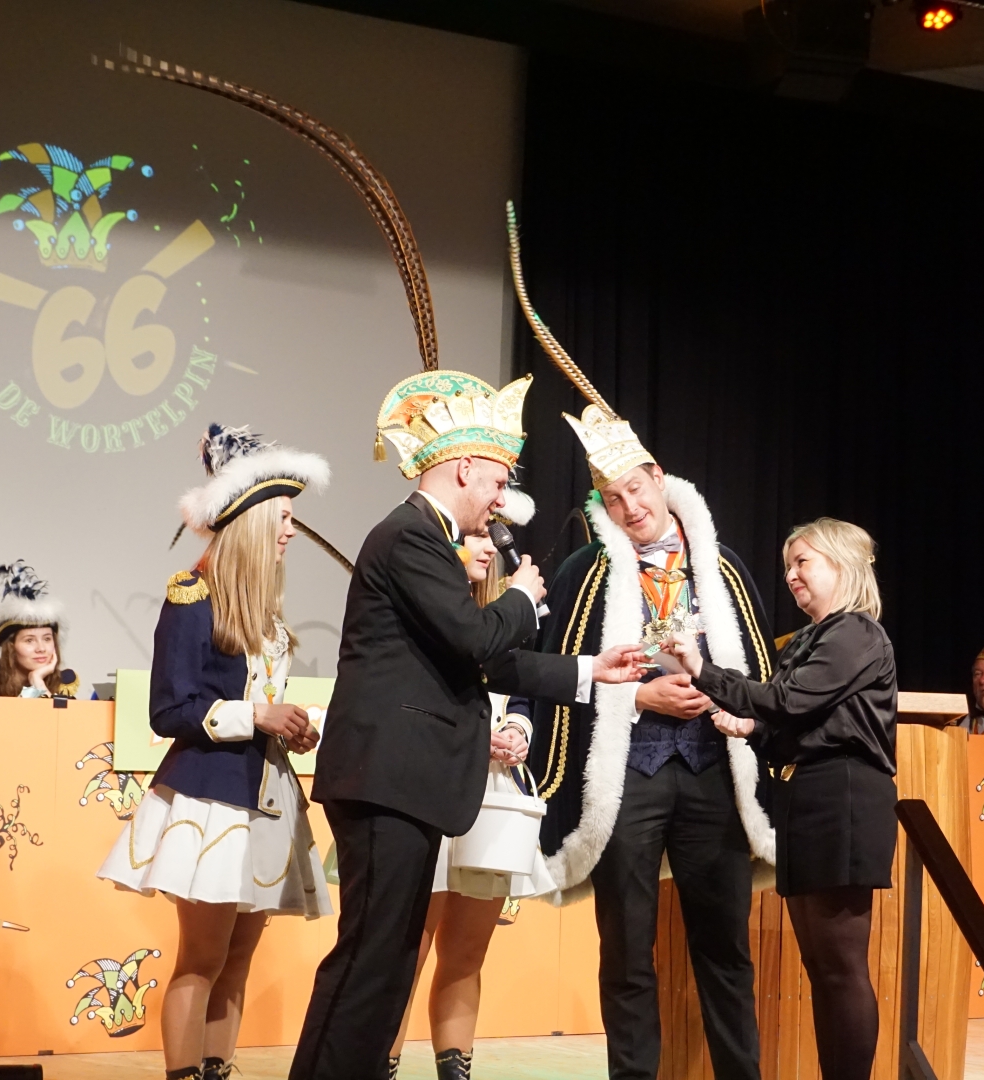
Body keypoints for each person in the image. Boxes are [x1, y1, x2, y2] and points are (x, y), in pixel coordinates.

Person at [292, 372, 646, 1080]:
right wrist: (520, 597)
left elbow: (482, 661)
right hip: (386, 781)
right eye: (498, 481)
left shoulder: (427, 538)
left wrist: (588, 670)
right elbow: (477, 639)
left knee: (389, 961)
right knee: (369, 959)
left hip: (406, 784)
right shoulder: (410, 536)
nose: (501, 500)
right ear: (463, 469)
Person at [515, 409, 776, 1080]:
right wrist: (638, 697)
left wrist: (720, 695)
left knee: (724, 949)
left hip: (712, 768)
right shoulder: (584, 571)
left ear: (659, 478)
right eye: (613, 499)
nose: (631, 508)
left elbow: (759, 673)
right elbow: (554, 672)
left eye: (636, 489)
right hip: (629, 773)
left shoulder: (723, 568)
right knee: (627, 950)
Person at [96, 424, 333, 1080]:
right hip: (209, 802)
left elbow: (261, 704)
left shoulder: (267, 613)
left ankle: (218, 1068)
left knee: (237, 962)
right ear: (252, 520)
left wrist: (292, 726)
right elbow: (169, 710)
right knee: (201, 960)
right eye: (283, 518)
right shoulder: (191, 597)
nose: (291, 531)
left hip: (265, 797)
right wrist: (256, 714)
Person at [664, 517, 896, 1080]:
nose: (791, 575)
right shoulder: (812, 638)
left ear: (842, 564)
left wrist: (702, 671)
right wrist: (753, 729)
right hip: (807, 798)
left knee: (840, 964)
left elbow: (789, 701)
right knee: (820, 965)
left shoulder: (856, 632)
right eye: (788, 565)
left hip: (842, 799)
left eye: (803, 562)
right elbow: (794, 718)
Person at [389, 488, 556, 1080]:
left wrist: (517, 729)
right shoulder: (422, 603)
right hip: (428, 784)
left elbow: (527, 687)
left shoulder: (511, 615)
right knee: (407, 945)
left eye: (494, 537)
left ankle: (455, 1068)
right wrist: (468, 736)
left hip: (494, 793)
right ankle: (380, 1061)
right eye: (478, 535)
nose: (488, 547)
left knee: (467, 951)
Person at [0, 560, 80, 698]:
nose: (41, 648)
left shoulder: (63, 682)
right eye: (29, 640)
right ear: (11, 646)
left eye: (47, 639)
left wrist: (38, 682)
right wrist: (33, 691)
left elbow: (58, 713)